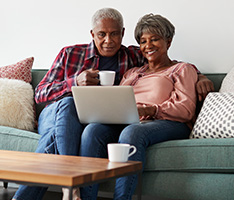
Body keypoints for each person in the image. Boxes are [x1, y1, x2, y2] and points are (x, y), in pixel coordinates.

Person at [12, 8, 213, 200]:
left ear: (122, 33)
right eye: (102, 34)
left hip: (147, 120)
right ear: (92, 34)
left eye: (114, 34)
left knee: (96, 131)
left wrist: (200, 77)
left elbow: (176, 69)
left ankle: (73, 189)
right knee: (73, 107)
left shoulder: (136, 59)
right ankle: (74, 186)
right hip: (57, 112)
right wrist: (75, 83)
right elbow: (40, 93)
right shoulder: (75, 55)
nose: (108, 40)